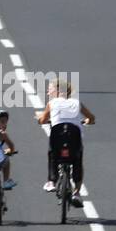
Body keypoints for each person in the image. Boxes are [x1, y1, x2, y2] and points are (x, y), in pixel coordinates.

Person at [36, 78, 93, 206]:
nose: (48, 92)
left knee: (52, 155)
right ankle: (77, 193)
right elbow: (91, 117)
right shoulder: (77, 103)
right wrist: (88, 121)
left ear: (58, 90)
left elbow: (43, 120)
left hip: (58, 136)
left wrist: (40, 119)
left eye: (50, 89)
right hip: (74, 137)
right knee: (77, 160)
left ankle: (51, 181)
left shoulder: (52, 103)